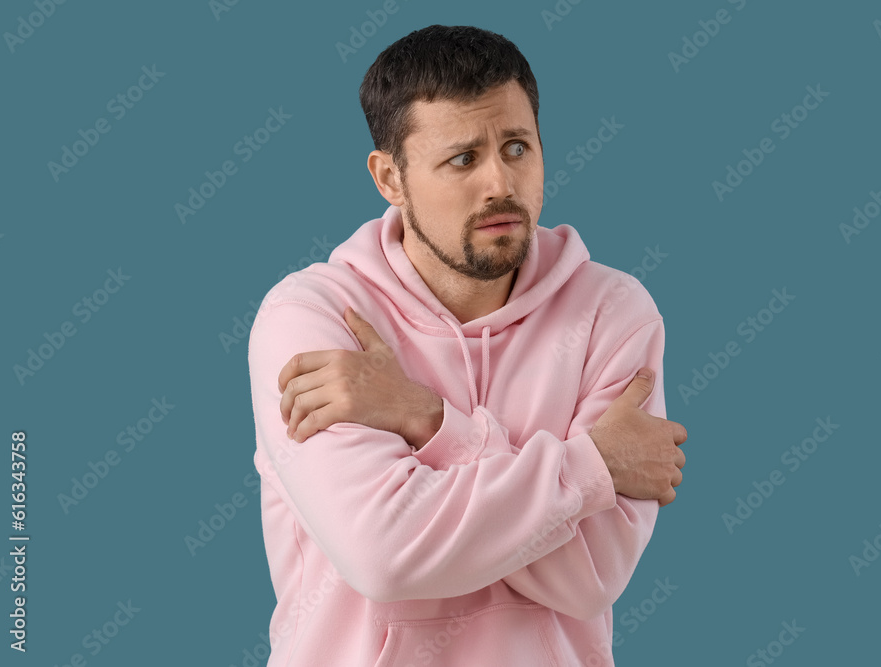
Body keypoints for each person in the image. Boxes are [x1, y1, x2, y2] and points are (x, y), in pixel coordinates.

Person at [247, 24, 688, 666]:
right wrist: (590, 467)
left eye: (517, 147)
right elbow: (386, 555)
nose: (499, 184)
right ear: (389, 178)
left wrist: (427, 419)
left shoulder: (612, 314)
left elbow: (588, 577)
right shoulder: (312, 317)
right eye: (462, 159)